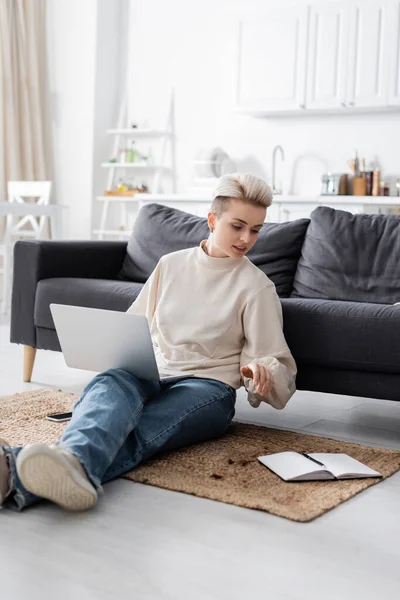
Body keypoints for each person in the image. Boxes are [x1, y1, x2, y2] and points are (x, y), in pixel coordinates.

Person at [0, 173, 296, 512]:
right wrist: (114, 355)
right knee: (109, 385)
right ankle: (67, 464)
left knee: (141, 427)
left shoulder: (257, 287)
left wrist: (262, 372)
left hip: (208, 389)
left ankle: (14, 471)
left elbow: (273, 360)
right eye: (238, 226)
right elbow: (131, 326)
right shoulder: (171, 266)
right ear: (212, 220)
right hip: (152, 370)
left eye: (256, 230)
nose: (246, 238)